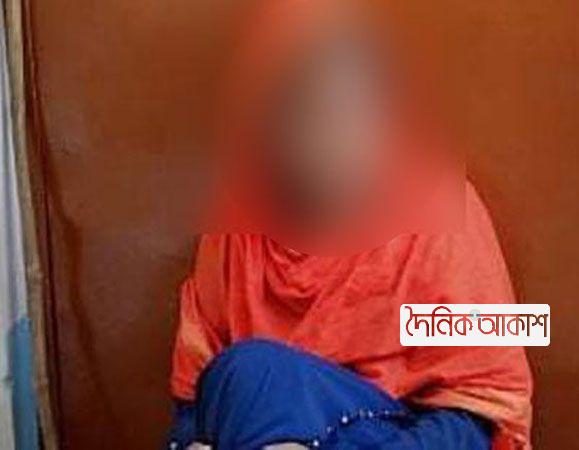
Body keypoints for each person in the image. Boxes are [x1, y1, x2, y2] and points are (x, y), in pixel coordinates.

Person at [168, 1, 532, 449]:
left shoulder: (442, 209)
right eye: (307, 117)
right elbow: (196, 397)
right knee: (246, 376)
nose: (333, 145)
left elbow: (480, 417)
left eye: (353, 119)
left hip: (400, 438)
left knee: (256, 373)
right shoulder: (240, 216)